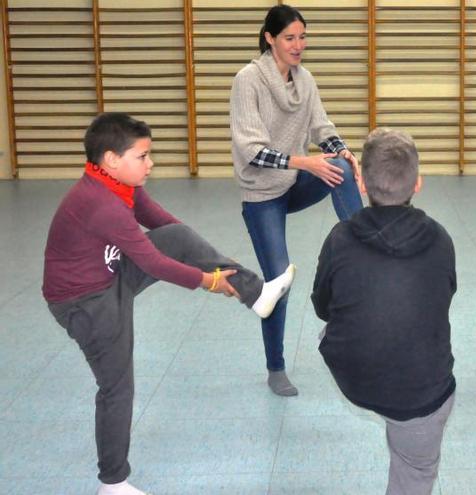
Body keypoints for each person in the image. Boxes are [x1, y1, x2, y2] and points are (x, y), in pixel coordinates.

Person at [42, 113, 293, 495]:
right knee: (117, 388)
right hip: (85, 303)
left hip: (108, 276)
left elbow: (163, 227)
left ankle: (256, 294)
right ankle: (112, 483)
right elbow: (152, 262)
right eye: (142, 156)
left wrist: (190, 245)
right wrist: (208, 281)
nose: (150, 164)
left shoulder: (117, 185)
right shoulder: (100, 204)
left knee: (175, 235)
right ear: (111, 159)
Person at [312, 128, 456, 495]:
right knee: (416, 467)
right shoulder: (440, 238)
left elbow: (321, 306)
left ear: (361, 185)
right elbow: (443, 296)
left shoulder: (340, 237)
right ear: (418, 183)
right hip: (420, 389)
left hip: (353, 373)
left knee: (336, 328)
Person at [230, 5, 364, 396]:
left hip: (293, 182)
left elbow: (323, 127)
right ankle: (275, 367)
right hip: (261, 194)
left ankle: (362, 245)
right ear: (270, 38)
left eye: (303, 37)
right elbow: (252, 150)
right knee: (278, 283)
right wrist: (305, 161)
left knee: (338, 162)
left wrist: (344, 152)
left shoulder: (305, 81)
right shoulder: (248, 81)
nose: (298, 45)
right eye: (290, 37)